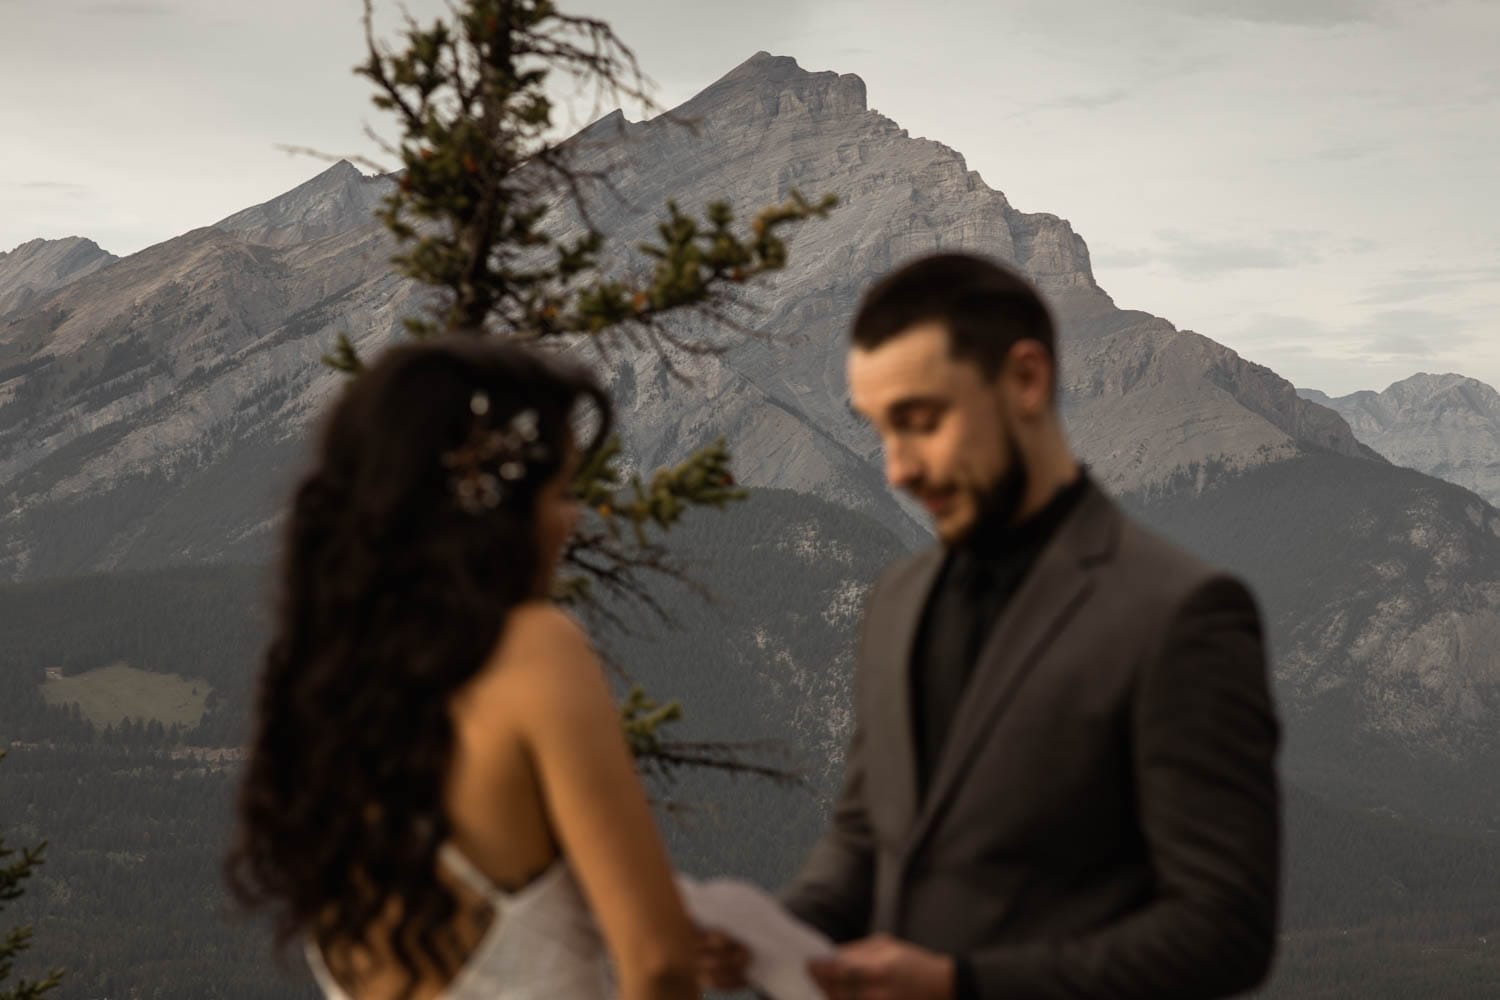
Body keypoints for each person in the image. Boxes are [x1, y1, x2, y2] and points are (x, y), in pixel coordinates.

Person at [700, 252, 1282, 999]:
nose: (897, 470)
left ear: (1026, 380)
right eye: (881, 431)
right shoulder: (897, 598)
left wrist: (961, 983)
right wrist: (771, 936)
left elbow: (1223, 931)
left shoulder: (1180, 613)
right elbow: (864, 839)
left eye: (920, 422)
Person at [226, 337, 699, 1000]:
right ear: (491, 511)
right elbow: (660, 962)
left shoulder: (325, 695)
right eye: (560, 491)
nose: (571, 520)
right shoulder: (535, 649)